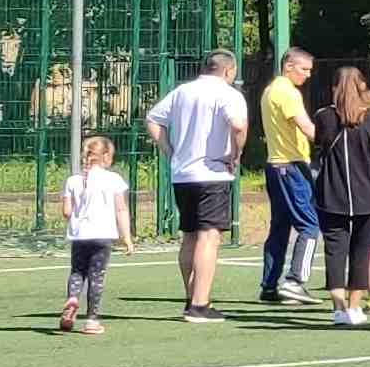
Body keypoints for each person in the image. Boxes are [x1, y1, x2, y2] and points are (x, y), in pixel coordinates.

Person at [141, 50, 248, 325]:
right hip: (212, 173)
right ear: (229, 70)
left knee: (189, 236)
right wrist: (235, 154)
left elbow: (153, 119)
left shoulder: (182, 91)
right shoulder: (228, 93)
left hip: (183, 174)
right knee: (209, 236)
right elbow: (238, 125)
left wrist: (169, 150)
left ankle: (192, 298)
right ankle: (200, 304)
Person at [308, 63, 370, 330]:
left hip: (332, 192)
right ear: (363, 87)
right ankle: (354, 307)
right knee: (362, 250)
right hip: (368, 192)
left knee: (334, 250)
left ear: (334, 87)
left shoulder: (323, 117)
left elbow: (319, 145)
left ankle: (338, 308)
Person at [255, 46, 320, 306]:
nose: (308, 75)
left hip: (276, 165)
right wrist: (334, 142)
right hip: (291, 165)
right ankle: (295, 281)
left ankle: (269, 285)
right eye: (304, 69)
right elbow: (306, 127)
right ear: (289, 66)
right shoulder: (287, 92)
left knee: (280, 227)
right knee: (309, 225)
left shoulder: (271, 90)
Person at [55, 133, 129, 337]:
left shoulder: (73, 181)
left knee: (77, 271)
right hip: (103, 236)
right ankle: (92, 321)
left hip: (80, 236)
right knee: (96, 277)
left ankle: (72, 298)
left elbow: (66, 212)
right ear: (105, 157)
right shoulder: (114, 180)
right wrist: (127, 237)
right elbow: (121, 209)